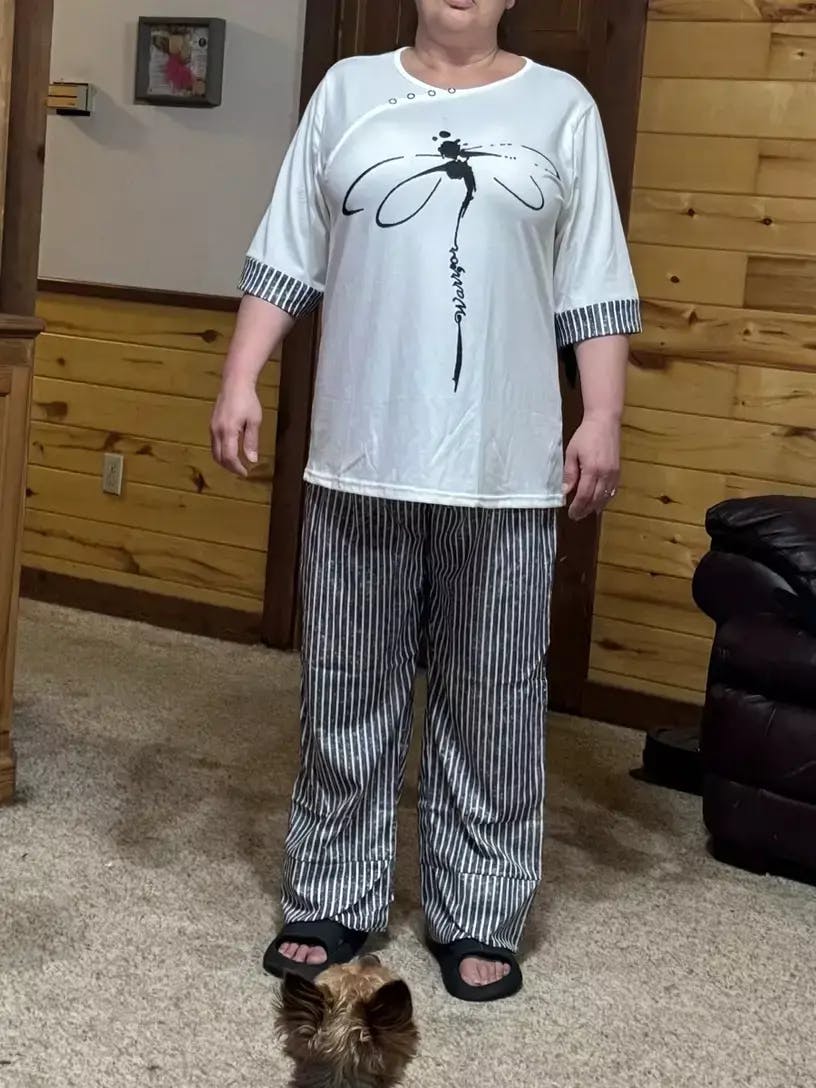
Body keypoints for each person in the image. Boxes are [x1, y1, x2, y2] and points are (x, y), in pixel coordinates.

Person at [210, 0, 640, 1004]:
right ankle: (332, 891)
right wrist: (240, 377)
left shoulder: (562, 107)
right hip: (361, 456)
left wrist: (603, 414)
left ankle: (480, 907)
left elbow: (593, 276)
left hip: (506, 467)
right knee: (347, 684)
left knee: (495, 694)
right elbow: (290, 245)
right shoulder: (348, 92)